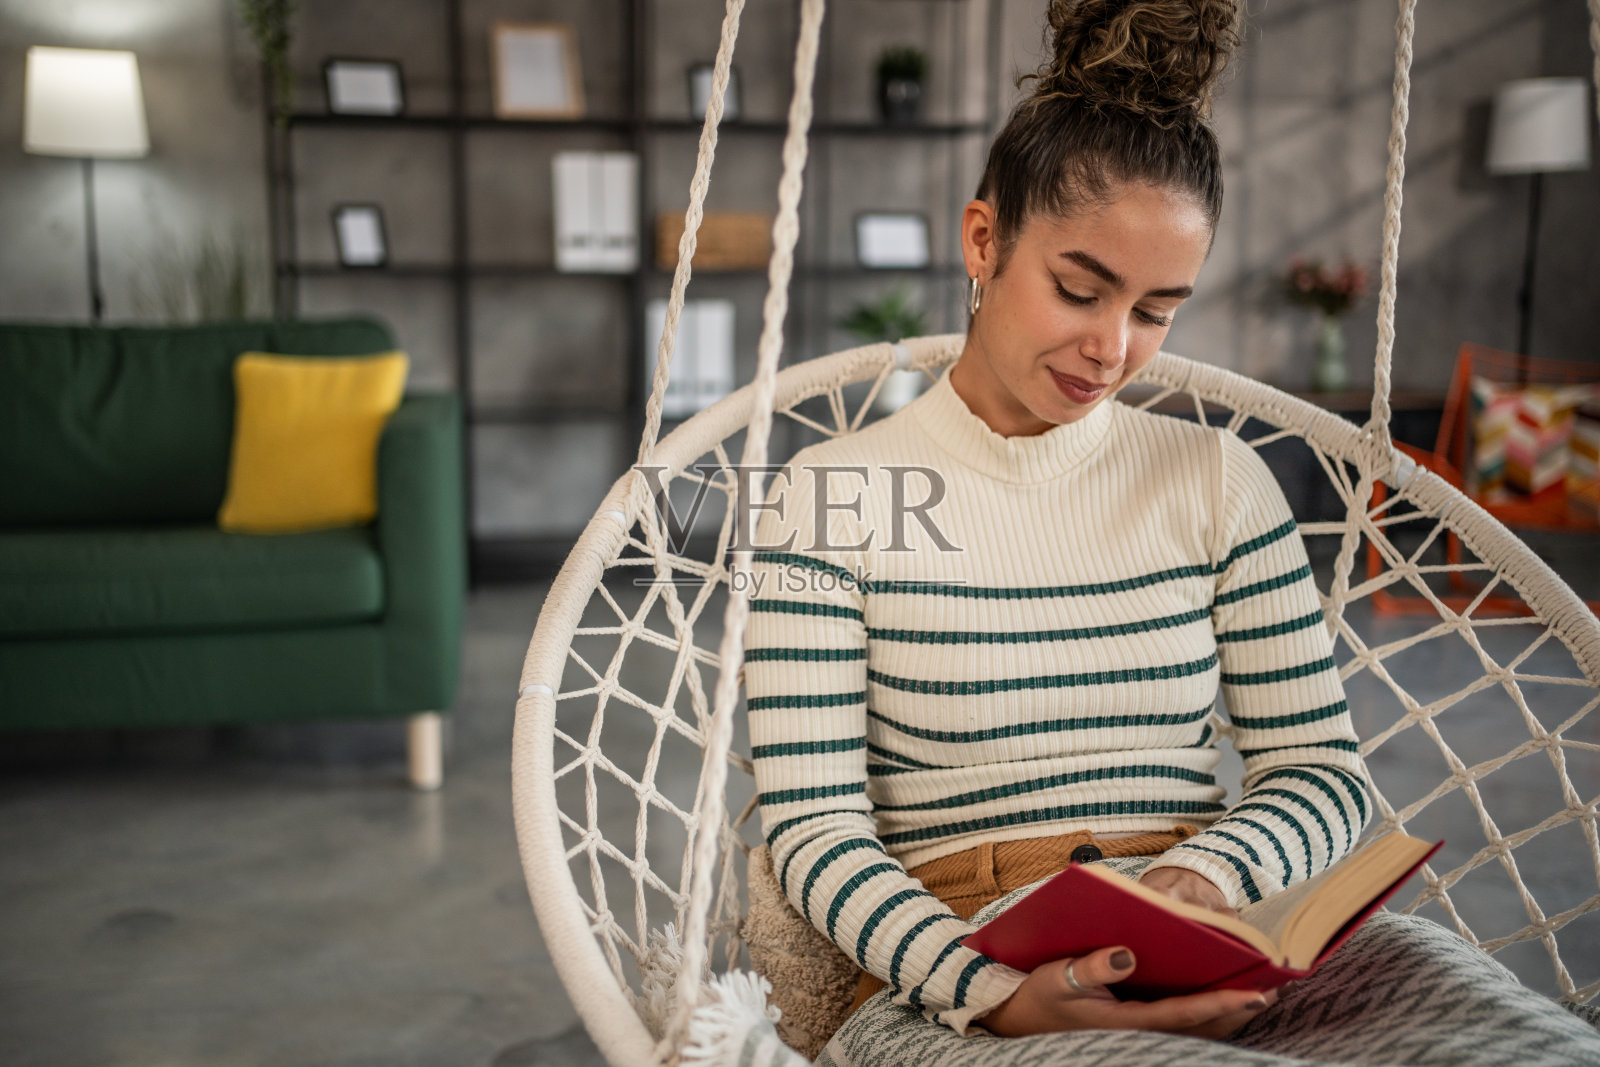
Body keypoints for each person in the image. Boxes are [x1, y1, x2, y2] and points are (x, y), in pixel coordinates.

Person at [741, 1, 1600, 1063]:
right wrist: (994, 989)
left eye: (1155, 309)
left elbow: (1322, 774)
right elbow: (816, 829)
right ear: (982, 240)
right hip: (957, 979)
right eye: (1077, 289)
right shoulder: (832, 494)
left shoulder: (1218, 480)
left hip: (1221, 942)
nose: (1111, 346)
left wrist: (1203, 878)